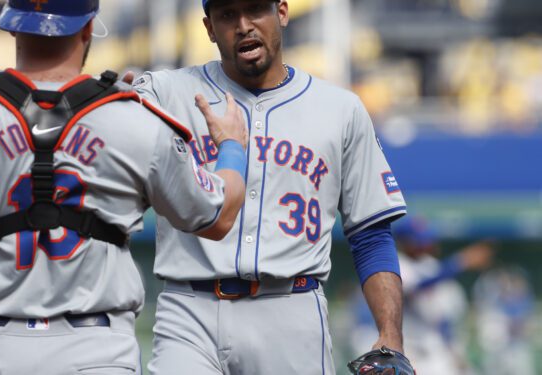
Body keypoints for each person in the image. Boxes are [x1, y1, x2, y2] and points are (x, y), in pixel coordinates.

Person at [0, 0, 249, 374]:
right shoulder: (135, 120)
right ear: (88, 29)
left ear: (12, 27)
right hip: (98, 353)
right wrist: (231, 147)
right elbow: (217, 217)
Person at [133, 0, 408, 373]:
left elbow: (371, 233)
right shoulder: (168, 93)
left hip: (291, 309)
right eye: (227, 15)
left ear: (281, 11)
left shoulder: (340, 109)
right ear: (209, 28)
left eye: (255, 9)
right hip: (189, 308)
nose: (244, 25)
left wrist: (390, 334)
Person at [393, 216, 493, 374]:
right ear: (405, 242)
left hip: (436, 348)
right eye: (419, 240)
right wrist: (461, 262)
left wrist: (453, 351)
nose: (425, 244)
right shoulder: (397, 264)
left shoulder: (430, 264)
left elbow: (440, 317)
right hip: (411, 351)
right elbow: (419, 285)